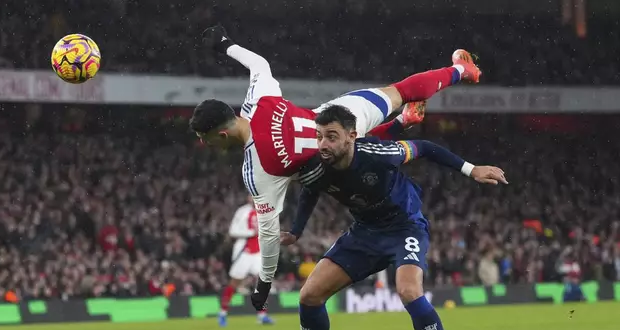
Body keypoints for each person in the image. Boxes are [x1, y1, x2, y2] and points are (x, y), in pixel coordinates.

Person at [191, 25, 481, 312]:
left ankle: (401, 124)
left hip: (332, 165)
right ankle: (460, 72)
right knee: (399, 91)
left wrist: (263, 285)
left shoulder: (257, 170)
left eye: (206, 140)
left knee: (342, 158)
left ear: (222, 135)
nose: (206, 145)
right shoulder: (259, 100)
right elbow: (259, 65)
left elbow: (268, 236)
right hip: (338, 117)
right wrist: (226, 44)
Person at [278, 105, 507, 330]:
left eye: (332, 137)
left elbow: (422, 147)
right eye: (319, 136)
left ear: (351, 136)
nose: (323, 144)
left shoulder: (376, 154)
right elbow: (310, 190)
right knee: (309, 295)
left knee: (409, 290)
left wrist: (471, 169)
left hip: (405, 228)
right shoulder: (316, 166)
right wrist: (297, 231)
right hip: (364, 234)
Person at [219, 196, 274, 326]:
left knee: (263, 282)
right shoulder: (242, 211)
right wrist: (251, 232)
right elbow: (233, 231)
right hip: (244, 252)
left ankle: (262, 314)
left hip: (258, 253)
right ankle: (222, 313)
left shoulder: (265, 210)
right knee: (234, 283)